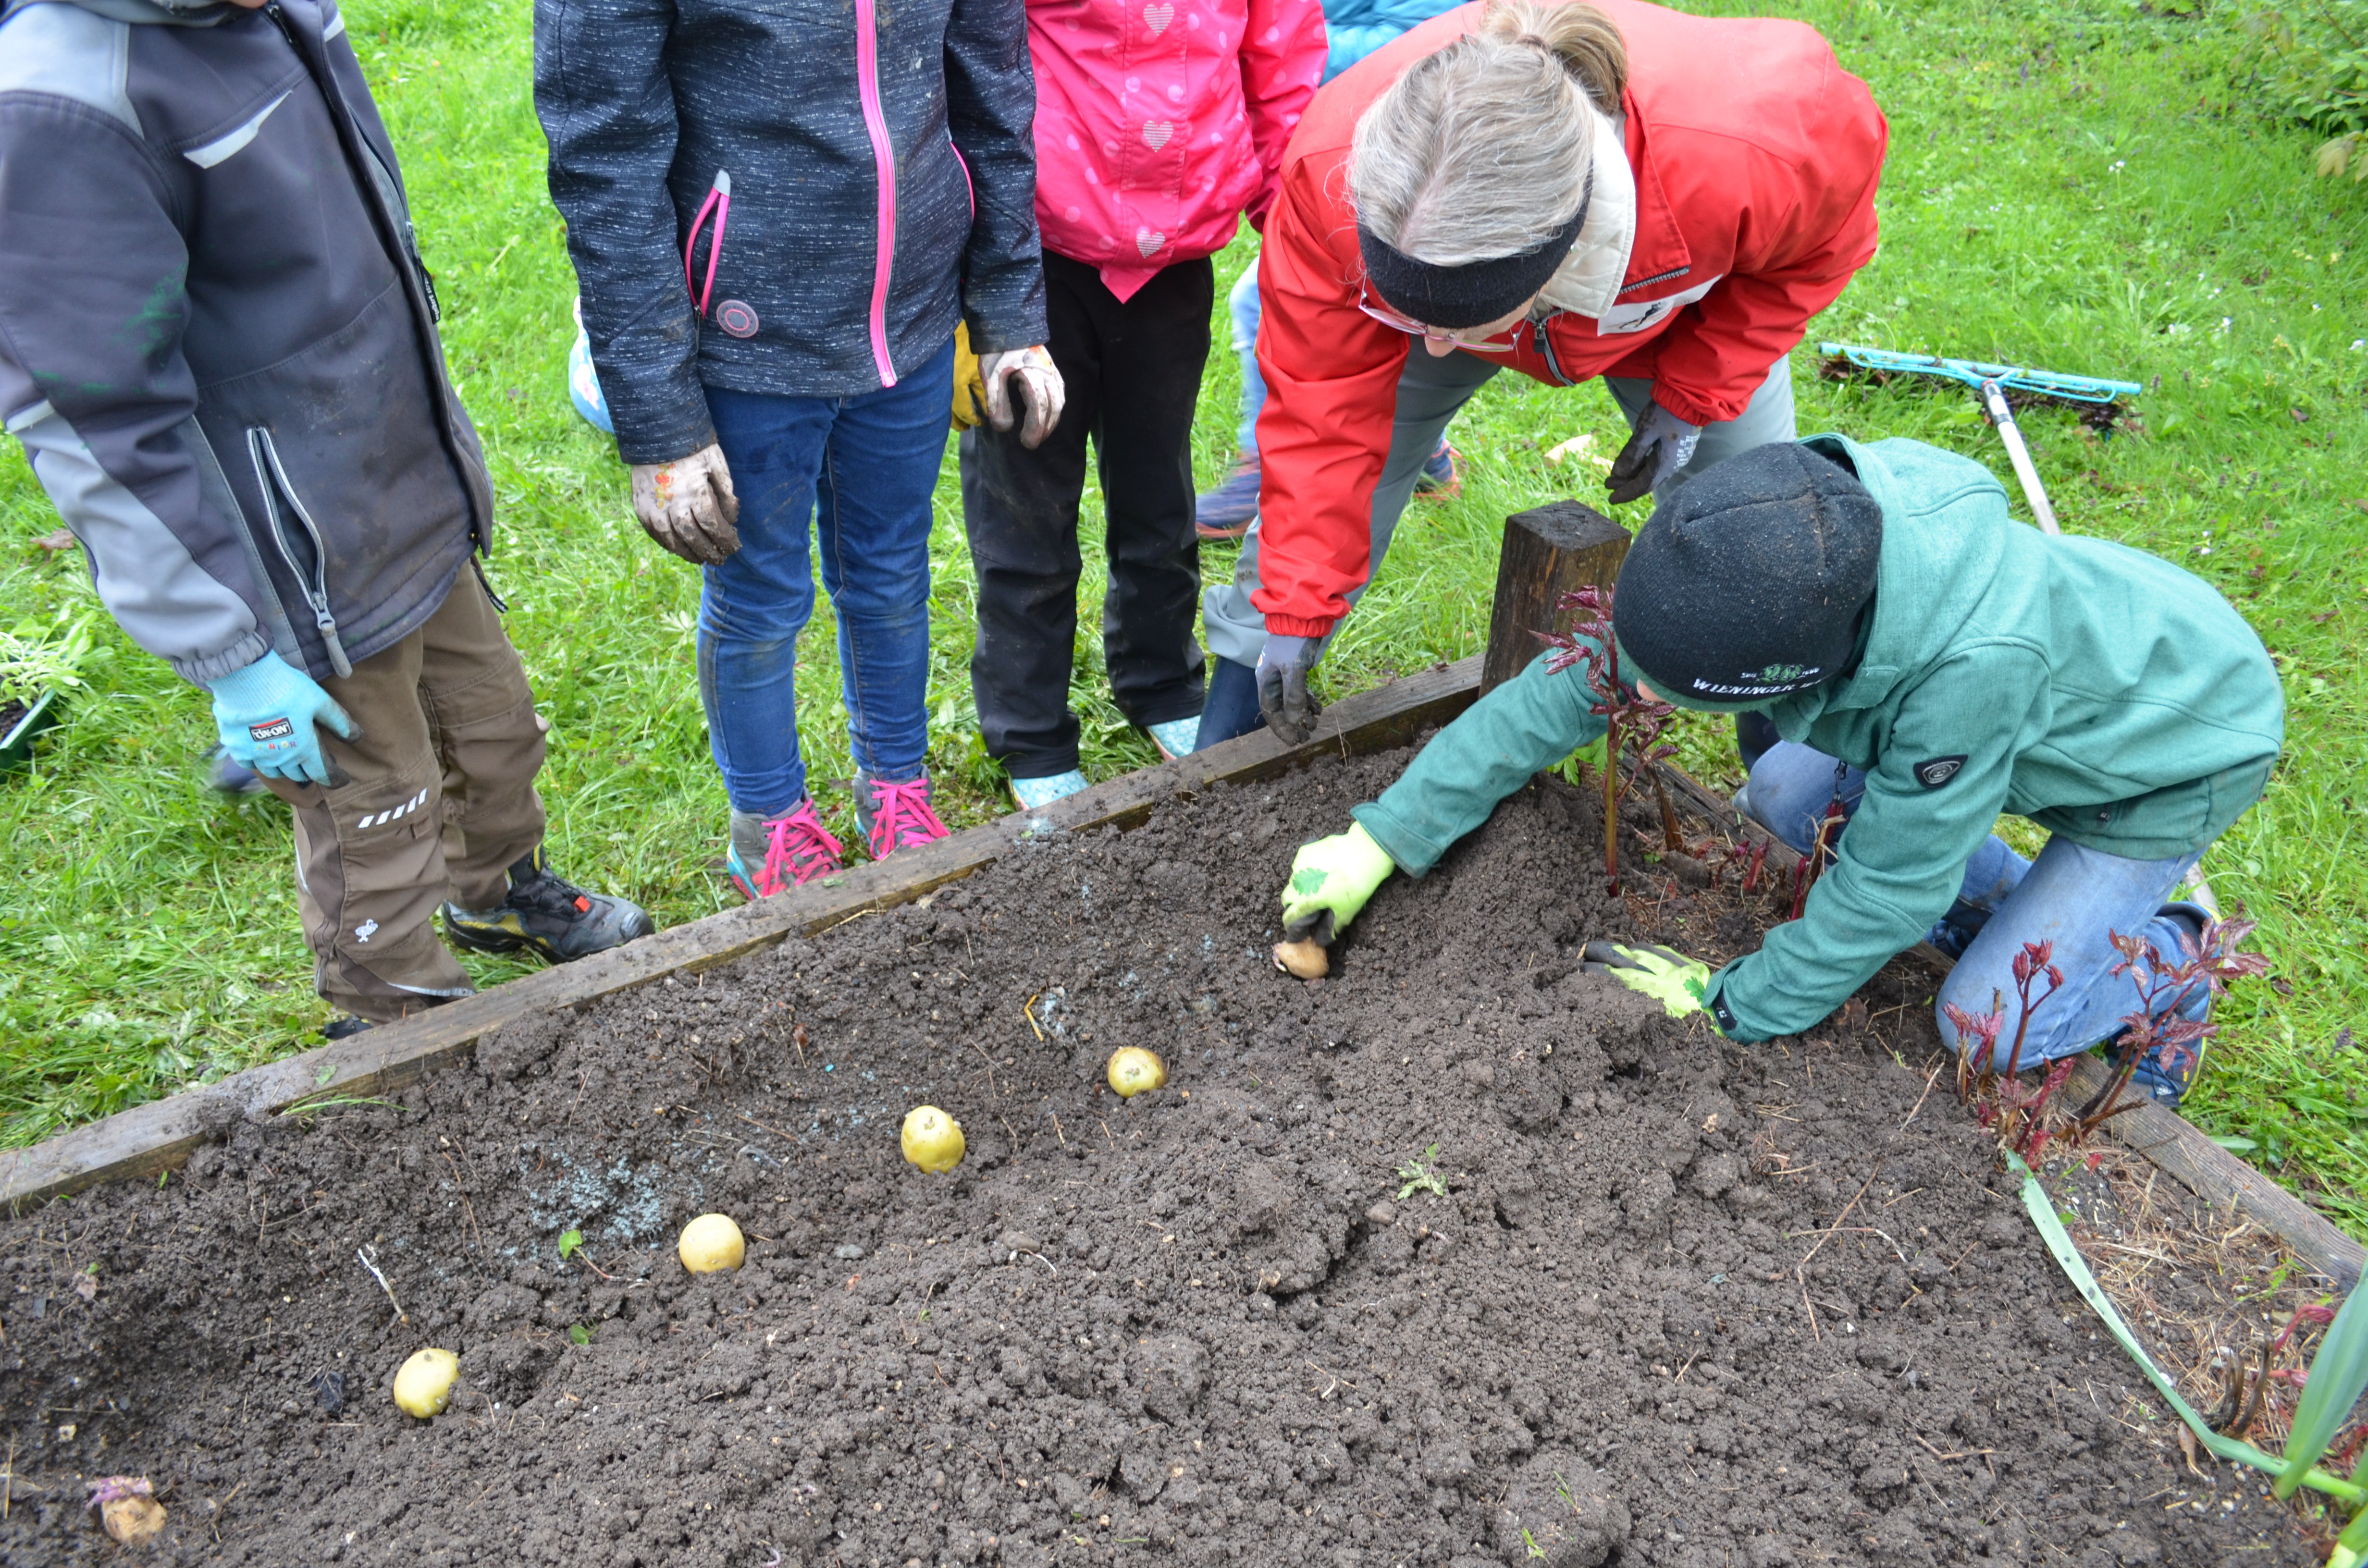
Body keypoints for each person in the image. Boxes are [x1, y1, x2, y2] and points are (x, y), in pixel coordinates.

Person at [0, 0, 654, 1039]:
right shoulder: (61, 101)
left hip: (397, 481)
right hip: (287, 564)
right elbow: (92, 417)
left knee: (494, 733)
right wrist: (229, 650)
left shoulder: (272, 13)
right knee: (374, 810)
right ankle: (392, 1011)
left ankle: (497, 896)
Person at [1274, 438, 2284, 1106]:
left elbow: (1892, 883)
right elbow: (1574, 687)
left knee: (1983, 1021)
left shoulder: (1965, 681)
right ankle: (2036, 922)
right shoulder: (1783, 539)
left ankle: (2161, 961)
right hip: (2059, 686)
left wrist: (1733, 1002)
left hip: (2166, 757)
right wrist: (1383, 834)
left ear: (1796, 671)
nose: (1648, 694)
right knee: (1785, 795)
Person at [1195, 0, 1888, 750]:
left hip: (1675, 302)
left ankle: (1781, 756)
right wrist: (1295, 607)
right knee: (1330, 512)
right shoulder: (1330, 173)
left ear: (1561, 256)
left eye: (1457, 325)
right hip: (1451, 277)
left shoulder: (1758, 143)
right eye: (1419, 321)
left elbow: (1811, 255)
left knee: (1761, 527)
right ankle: (1232, 724)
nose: (1433, 349)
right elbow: (1319, 417)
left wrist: (1698, 388)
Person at [537, 0, 1058, 894]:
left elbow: (993, 85)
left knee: (891, 570)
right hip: (743, 333)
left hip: (914, 317)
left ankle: (895, 785)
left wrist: (1007, 303)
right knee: (758, 596)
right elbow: (605, 159)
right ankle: (767, 823)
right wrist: (662, 423)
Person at [958, 0, 1328, 808]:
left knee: (1159, 493)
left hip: (1174, 253)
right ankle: (1028, 730)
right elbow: (972, 51)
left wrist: (1288, 219)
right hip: (1035, 261)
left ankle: (1159, 682)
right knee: (1028, 512)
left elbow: (1283, 70)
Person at [1192, 0, 1474, 544]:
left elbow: (1427, 38)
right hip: (1348, 134)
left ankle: (1269, 471)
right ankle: (1426, 455)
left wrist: (1271, 42)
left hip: (1420, 148)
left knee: (1265, 294)